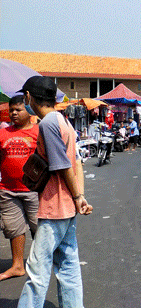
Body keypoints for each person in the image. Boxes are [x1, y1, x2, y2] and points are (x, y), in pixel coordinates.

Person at [18, 76, 93, 308]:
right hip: (67, 207)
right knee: (68, 267)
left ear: (29, 97)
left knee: (37, 272)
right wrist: (79, 196)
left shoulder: (48, 123)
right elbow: (77, 162)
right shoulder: (63, 120)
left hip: (53, 208)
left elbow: (62, 165)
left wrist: (78, 197)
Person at [0, 95, 40, 282]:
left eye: (18, 109)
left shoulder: (39, 132)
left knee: (39, 228)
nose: (14, 113)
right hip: (7, 190)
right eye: (11, 110)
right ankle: (17, 266)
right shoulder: (3, 133)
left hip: (34, 190)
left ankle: (42, 263)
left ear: (29, 111)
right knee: (13, 228)